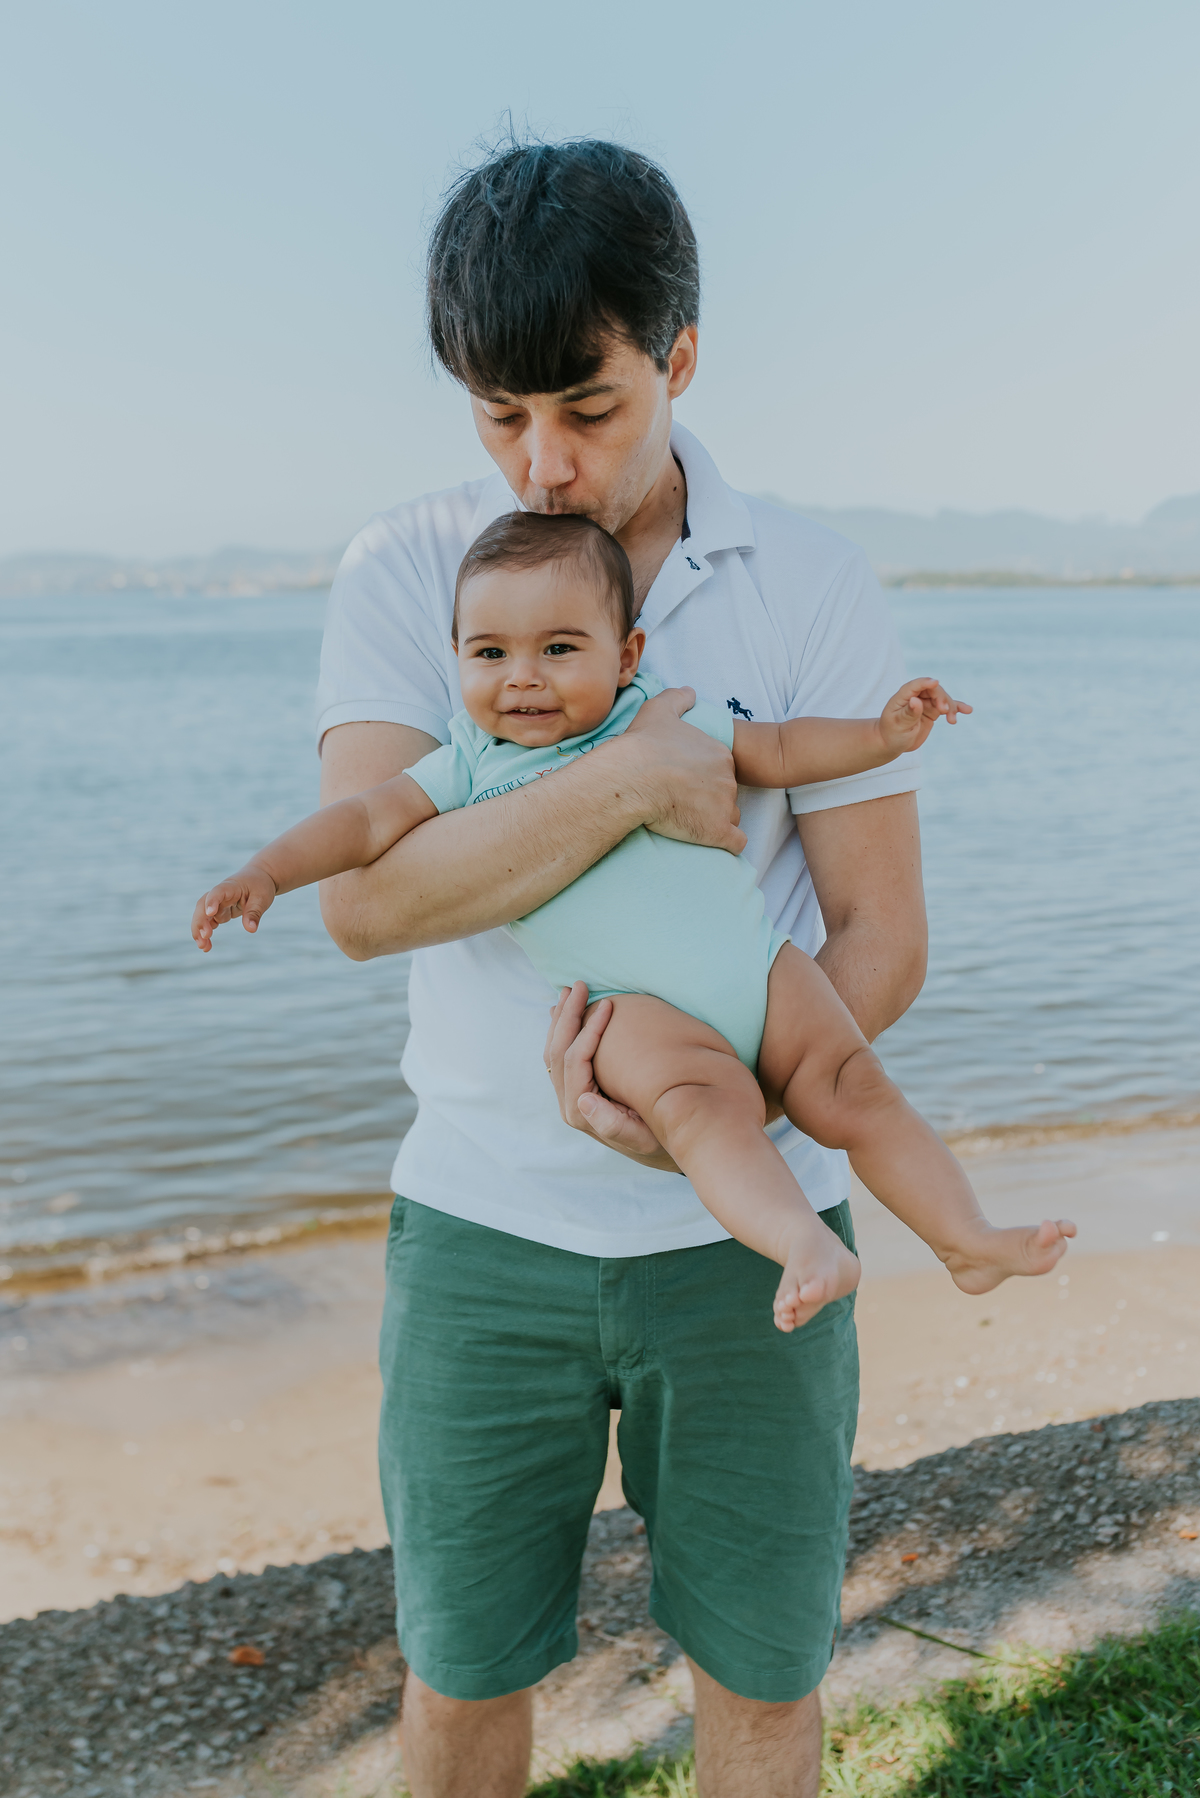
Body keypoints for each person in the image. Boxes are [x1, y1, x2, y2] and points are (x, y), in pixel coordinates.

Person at [300, 137, 978, 1797]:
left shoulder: (810, 580)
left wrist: (701, 1108)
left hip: (751, 1230)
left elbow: (878, 934)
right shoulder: (410, 571)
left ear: (678, 356)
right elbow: (369, 902)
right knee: (460, 1686)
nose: (540, 462)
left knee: (759, 1684)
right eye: (496, 413)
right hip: (477, 1227)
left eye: (587, 409)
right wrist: (635, 774)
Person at [193, 510, 1073, 1338]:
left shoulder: (658, 713)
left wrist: (881, 734)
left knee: (858, 1087)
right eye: (490, 651)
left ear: (626, 654)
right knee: (706, 1116)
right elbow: (363, 822)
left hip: (762, 967)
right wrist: (267, 871)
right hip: (636, 1012)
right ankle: (800, 1241)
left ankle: (965, 1238)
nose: (523, 675)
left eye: (559, 648)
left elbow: (776, 749)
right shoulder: (466, 763)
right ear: (455, 656)